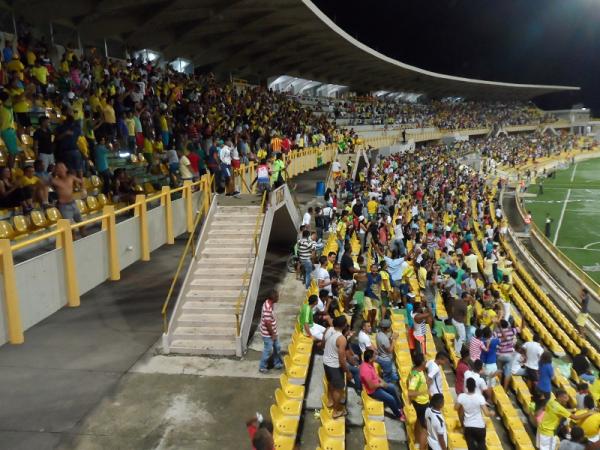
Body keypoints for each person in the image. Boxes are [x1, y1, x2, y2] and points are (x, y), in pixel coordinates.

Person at [359, 349, 405, 421]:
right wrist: (381, 385)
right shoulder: (366, 371)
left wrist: (383, 382)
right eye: (374, 356)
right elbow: (371, 386)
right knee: (390, 399)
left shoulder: (370, 364)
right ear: (370, 359)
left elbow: (376, 376)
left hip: (377, 385)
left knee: (392, 387)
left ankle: (399, 407)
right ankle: (398, 415)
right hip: (373, 391)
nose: (376, 357)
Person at [323, 315, 352, 419]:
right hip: (334, 366)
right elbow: (341, 358)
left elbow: (323, 343)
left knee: (331, 383)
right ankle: (336, 410)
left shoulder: (328, 330)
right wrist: (347, 372)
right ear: (344, 326)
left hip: (326, 362)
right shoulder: (342, 339)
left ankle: (330, 401)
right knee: (338, 389)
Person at [457, 377, 494, 450]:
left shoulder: (461, 397)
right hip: (479, 426)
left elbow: (456, 407)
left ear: (466, 387)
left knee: (471, 447)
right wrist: (491, 413)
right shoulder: (480, 397)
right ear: (475, 386)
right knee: (481, 445)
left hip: (468, 426)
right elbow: (486, 413)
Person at [51, 162, 86, 236]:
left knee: (80, 222)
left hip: (73, 203)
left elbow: (81, 181)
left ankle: (84, 236)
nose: (61, 169)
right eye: (58, 168)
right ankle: (72, 240)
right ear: (56, 170)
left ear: (66, 169)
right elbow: (45, 185)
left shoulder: (71, 177)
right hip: (63, 206)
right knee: (69, 226)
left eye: (62, 167)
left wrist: (83, 189)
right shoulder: (54, 180)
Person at [408, 353, 429, 450]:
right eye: (425, 361)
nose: (426, 362)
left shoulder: (416, 370)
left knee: (419, 422)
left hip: (420, 402)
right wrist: (423, 391)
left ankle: (416, 441)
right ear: (421, 363)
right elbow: (410, 393)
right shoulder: (416, 376)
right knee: (425, 429)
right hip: (421, 403)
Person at [258, 291, 283, 374]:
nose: (279, 298)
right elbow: (267, 323)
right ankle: (262, 367)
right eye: (277, 297)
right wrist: (272, 334)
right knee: (268, 350)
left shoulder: (269, 303)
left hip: (272, 332)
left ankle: (277, 363)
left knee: (277, 347)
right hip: (268, 334)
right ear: (274, 298)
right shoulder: (267, 308)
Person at [376, 319, 400, 383]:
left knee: (392, 372)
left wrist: (391, 338)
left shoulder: (379, 334)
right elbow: (390, 350)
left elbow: (385, 344)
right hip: (386, 360)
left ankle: (395, 380)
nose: (390, 328)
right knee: (387, 378)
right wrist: (394, 339)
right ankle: (388, 387)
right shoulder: (383, 338)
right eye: (390, 327)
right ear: (387, 328)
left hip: (382, 356)